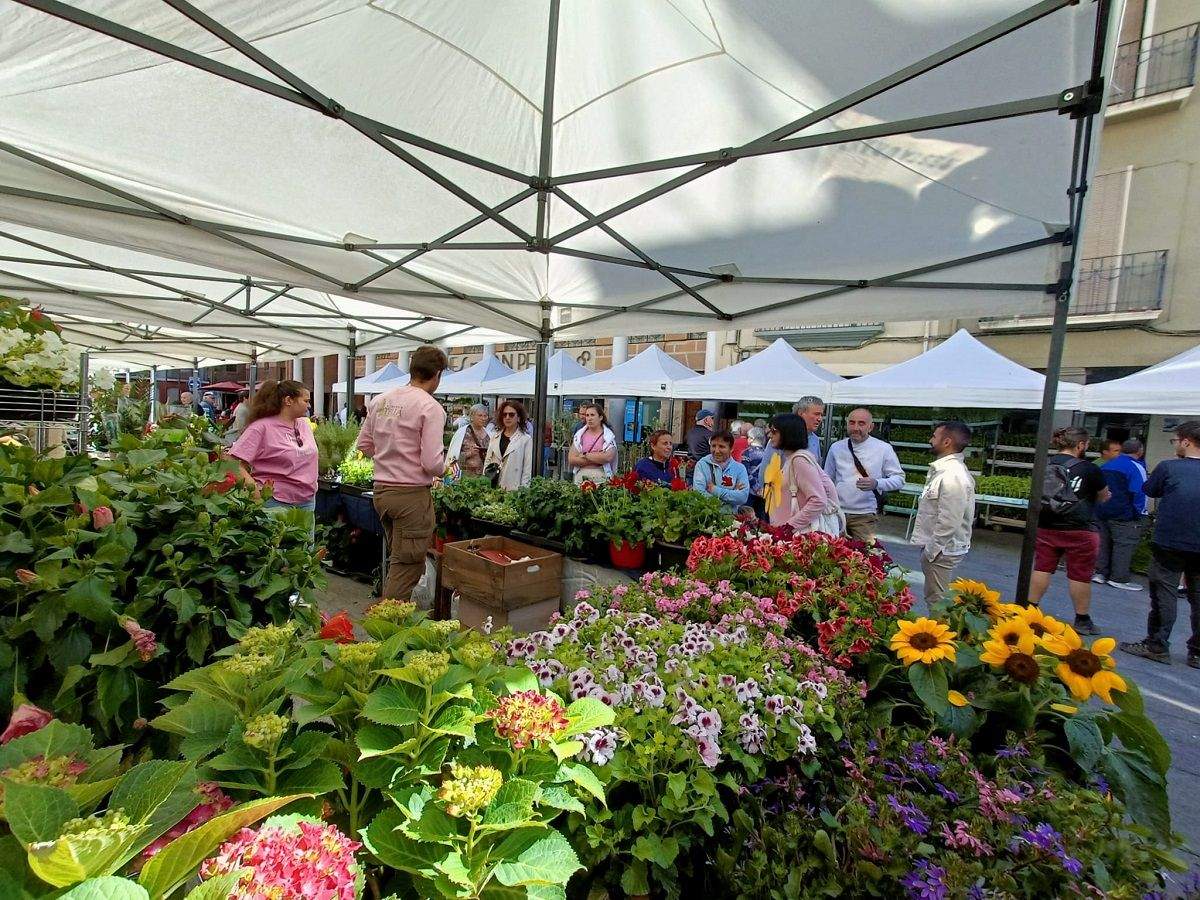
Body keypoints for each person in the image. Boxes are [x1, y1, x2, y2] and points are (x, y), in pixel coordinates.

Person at [356, 345, 449, 601]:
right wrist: (445, 467)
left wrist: (389, 455)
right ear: (437, 374)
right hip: (410, 495)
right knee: (407, 566)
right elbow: (432, 463)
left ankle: (392, 621)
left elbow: (364, 446)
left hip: (382, 492)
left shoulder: (381, 400)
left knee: (400, 560)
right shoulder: (430, 407)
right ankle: (387, 626)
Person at [1120, 420, 1200, 668]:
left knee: (1164, 593)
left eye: (1175, 440)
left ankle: (1157, 644)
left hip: (1170, 541)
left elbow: (1150, 490)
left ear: (1186, 441)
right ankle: (1197, 653)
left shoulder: (1169, 467)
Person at [1029, 427, 1110, 635]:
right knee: (1080, 575)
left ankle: (1030, 608)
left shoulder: (1044, 464)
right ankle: (1082, 619)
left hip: (1047, 524)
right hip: (1080, 528)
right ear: (1080, 445)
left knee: (1042, 567)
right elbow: (1103, 496)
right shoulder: (1090, 469)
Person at [229, 380, 318, 531]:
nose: (309, 405)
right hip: (275, 502)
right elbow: (233, 463)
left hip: (306, 500)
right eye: (306, 401)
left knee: (304, 550)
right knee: (277, 550)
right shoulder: (260, 428)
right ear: (288, 400)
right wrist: (255, 491)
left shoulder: (304, 424)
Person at [912, 421, 976, 602]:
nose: (930, 440)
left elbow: (949, 521)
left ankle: (939, 630)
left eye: (934, 436)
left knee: (937, 602)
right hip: (941, 549)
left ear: (947, 442)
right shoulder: (946, 471)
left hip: (942, 551)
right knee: (936, 598)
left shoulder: (952, 475)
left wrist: (931, 551)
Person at [823, 407, 906, 544]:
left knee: (864, 558)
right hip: (836, 513)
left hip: (864, 516)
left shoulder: (883, 448)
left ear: (871, 426)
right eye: (852, 423)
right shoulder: (836, 447)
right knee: (831, 556)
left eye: (861, 423)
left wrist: (877, 483)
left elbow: (899, 479)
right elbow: (827, 479)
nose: (855, 427)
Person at [765, 413, 842, 535]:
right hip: (788, 533)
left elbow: (818, 500)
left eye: (774, 431)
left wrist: (789, 527)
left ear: (788, 433)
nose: (770, 435)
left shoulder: (799, 460)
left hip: (799, 536)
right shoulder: (791, 459)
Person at [1094, 437, 1148, 591]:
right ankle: (1119, 578)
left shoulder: (1107, 465)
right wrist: (1140, 513)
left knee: (1104, 543)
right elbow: (1140, 492)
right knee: (1124, 544)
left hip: (1103, 510)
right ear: (1140, 451)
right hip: (1125, 513)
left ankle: (1100, 573)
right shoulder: (1136, 467)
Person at [693, 429, 750, 513]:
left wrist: (714, 490)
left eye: (721, 446)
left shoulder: (740, 469)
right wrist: (732, 495)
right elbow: (699, 494)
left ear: (731, 449)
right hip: (706, 518)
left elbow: (742, 497)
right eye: (713, 446)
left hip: (731, 521)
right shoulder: (702, 465)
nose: (716, 451)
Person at [483, 400, 533, 490]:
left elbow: (527, 469)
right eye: (504, 414)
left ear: (518, 417)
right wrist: (485, 481)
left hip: (513, 488)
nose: (507, 417)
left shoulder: (525, 439)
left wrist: (523, 491)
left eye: (511, 414)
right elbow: (488, 461)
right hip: (493, 487)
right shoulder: (495, 437)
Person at [568, 401, 616, 484]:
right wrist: (598, 456)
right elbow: (571, 459)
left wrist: (585, 455)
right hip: (581, 478)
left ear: (600, 417)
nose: (589, 418)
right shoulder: (579, 435)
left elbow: (608, 457)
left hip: (601, 479)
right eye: (587, 415)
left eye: (592, 415)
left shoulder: (608, 436)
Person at [456, 403, 491, 478]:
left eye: (485, 416)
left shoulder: (489, 434)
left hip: (484, 476)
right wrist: (469, 453)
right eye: (480, 415)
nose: (483, 418)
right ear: (472, 416)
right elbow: (453, 458)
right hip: (466, 477)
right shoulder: (462, 433)